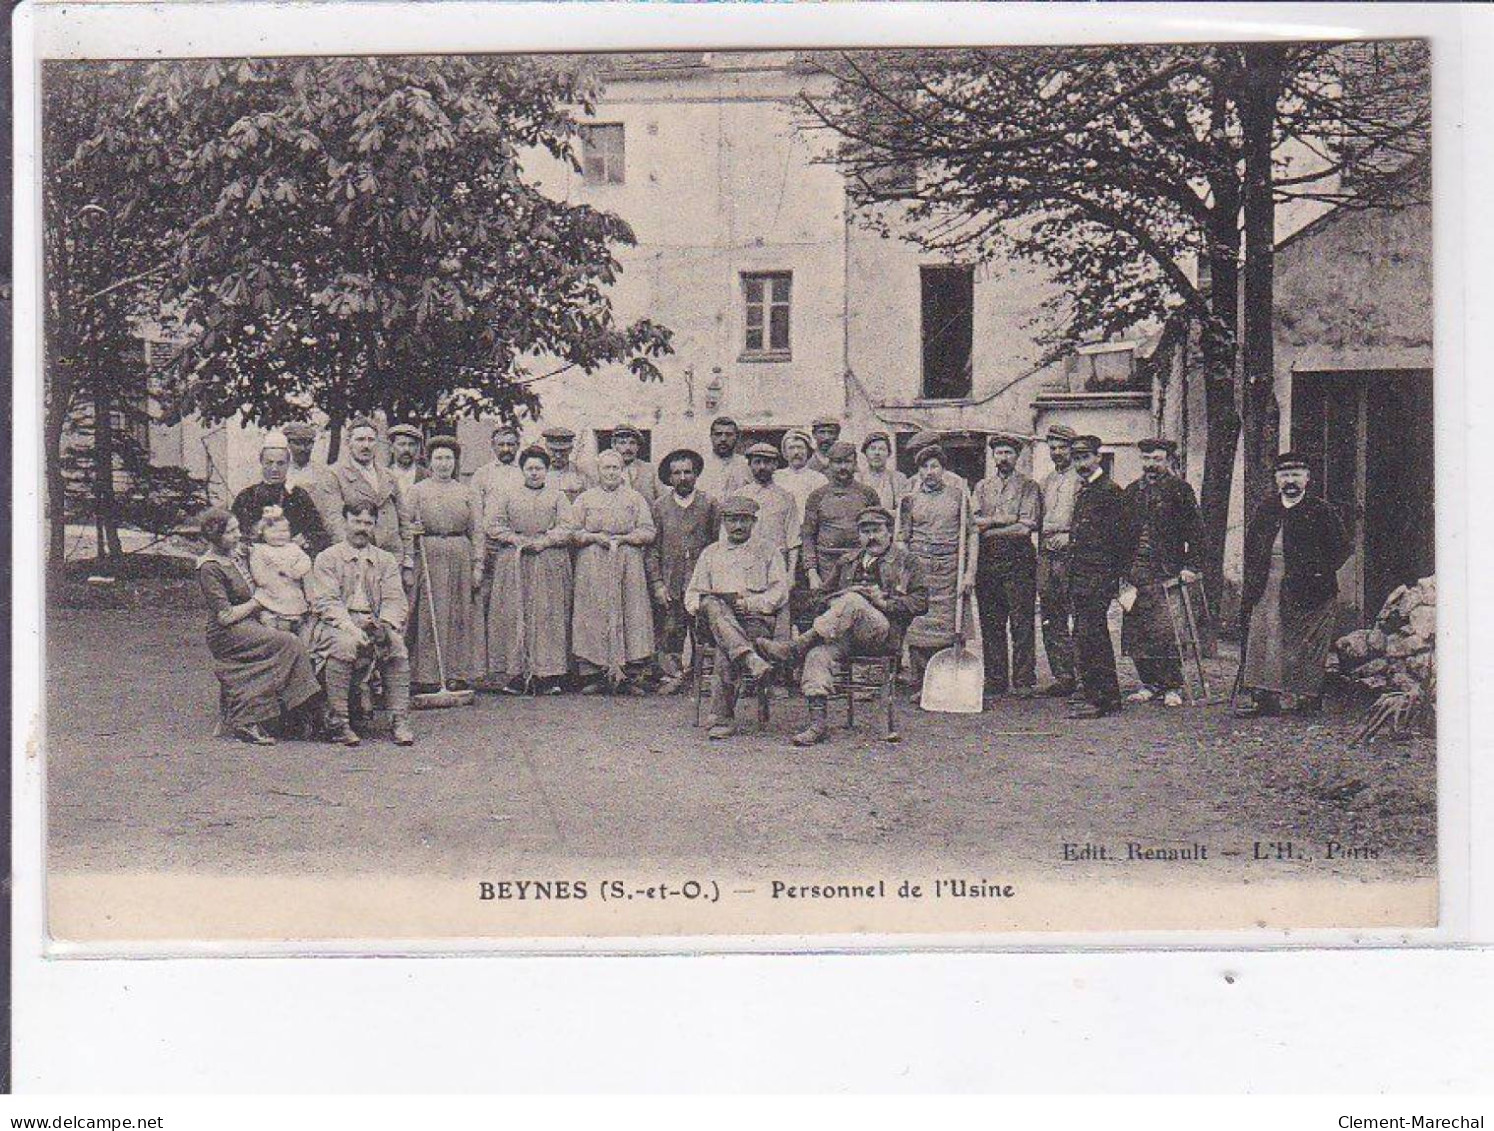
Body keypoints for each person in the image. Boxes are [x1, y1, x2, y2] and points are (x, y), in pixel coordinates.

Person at [757, 506, 929, 746]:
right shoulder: (847, 561)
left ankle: (795, 648)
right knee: (818, 655)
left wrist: (884, 601)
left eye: (877, 530)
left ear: (890, 532)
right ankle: (817, 724)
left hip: (882, 633)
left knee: (854, 601)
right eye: (865, 531)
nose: (871, 537)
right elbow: (818, 599)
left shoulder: (906, 561)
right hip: (841, 634)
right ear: (858, 535)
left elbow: (921, 603)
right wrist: (838, 599)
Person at [195, 507, 322, 747]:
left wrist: (272, 523)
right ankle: (252, 718)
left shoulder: (236, 552)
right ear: (215, 537)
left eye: (236, 529)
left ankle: (292, 715)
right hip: (227, 632)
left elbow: (264, 542)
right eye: (230, 532)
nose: (237, 535)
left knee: (292, 639)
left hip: (251, 621)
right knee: (288, 642)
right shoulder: (209, 567)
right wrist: (259, 601)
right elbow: (225, 616)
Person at [1236, 452, 1351, 717]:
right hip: (1268, 584)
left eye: (1296, 475)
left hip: (1310, 588)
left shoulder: (1321, 510)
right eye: (1285, 475)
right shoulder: (1267, 509)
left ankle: (1307, 698)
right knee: (1266, 639)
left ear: (1307, 479)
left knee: (1306, 643)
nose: (1290, 481)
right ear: (1277, 479)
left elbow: (1342, 548)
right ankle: (1266, 698)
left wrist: (1319, 573)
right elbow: (1252, 544)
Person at [306, 502, 415, 747]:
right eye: (356, 522)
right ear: (345, 522)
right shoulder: (328, 558)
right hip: (336, 624)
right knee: (345, 646)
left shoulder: (385, 560)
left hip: (375, 621)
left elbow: (394, 599)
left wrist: (384, 626)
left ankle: (399, 719)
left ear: (374, 525)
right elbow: (326, 602)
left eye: (368, 523)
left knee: (396, 645)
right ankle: (339, 721)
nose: (362, 528)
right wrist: (352, 628)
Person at [684, 496, 788, 740]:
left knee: (725, 647)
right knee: (711, 603)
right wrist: (708, 606)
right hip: (714, 623)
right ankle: (749, 658)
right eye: (732, 520)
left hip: (754, 621)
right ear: (723, 522)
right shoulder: (711, 553)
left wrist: (749, 603)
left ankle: (722, 717)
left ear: (754, 522)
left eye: (744, 520)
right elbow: (692, 595)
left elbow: (780, 592)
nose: (738, 526)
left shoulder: (768, 551)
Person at [1121, 438, 1206, 708]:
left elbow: (1196, 532)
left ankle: (1172, 685)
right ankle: (1149, 683)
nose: (1150, 465)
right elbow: (1119, 534)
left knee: (1166, 631)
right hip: (1136, 571)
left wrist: (1191, 566)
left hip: (1166, 570)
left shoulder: (1180, 490)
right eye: (1146, 459)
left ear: (1168, 460)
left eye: (1156, 459)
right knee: (1137, 630)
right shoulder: (1132, 491)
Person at [484, 446, 576, 696]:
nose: (534, 473)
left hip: (548, 561)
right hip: (515, 560)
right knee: (515, 612)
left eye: (539, 468)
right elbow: (493, 524)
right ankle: (515, 673)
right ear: (522, 470)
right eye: (530, 468)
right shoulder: (506, 495)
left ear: (546, 471)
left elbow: (568, 526)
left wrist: (545, 541)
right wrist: (515, 539)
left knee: (547, 615)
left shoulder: (557, 496)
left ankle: (547, 675)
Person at [571, 449, 657, 694]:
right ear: (598, 472)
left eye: (615, 468)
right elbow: (572, 531)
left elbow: (648, 530)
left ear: (622, 472)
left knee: (632, 612)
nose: (610, 473)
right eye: (606, 468)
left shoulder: (635, 498)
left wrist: (626, 539)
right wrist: (593, 537)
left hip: (627, 560)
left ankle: (629, 675)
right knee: (593, 612)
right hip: (593, 561)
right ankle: (594, 674)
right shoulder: (585, 499)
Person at [898, 444, 979, 691]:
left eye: (934, 466)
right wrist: (905, 572)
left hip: (951, 571)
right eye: (924, 467)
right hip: (920, 569)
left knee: (951, 624)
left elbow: (972, 533)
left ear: (943, 469)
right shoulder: (909, 500)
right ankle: (920, 681)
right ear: (918, 471)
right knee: (919, 622)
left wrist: (970, 573)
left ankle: (947, 681)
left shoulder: (958, 496)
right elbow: (902, 538)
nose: (929, 471)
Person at [1066, 435, 1134, 719]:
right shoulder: (1085, 490)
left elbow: (1123, 539)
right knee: (1086, 635)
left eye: (1085, 457)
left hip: (1098, 576)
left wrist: (1114, 577)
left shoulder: (1109, 491)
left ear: (1098, 457)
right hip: (1082, 575)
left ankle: (1102, 699)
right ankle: (1100, 695)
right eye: (1077, 458)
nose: (1080, 463)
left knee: (1093, 635)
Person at [406, 436, 481, 694]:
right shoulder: (417, 491)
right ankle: (427, 675)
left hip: (460, 552)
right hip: (429, 552)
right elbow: (405, 526)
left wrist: (477, 565)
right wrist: (413, 531)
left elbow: (477, 531)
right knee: (430, 614)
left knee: (459, 613)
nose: (444, 463)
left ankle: (456, 673)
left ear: (455, 461)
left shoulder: (466, 491)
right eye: (439, 458)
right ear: (429, 461)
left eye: (449, 458)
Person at [972, 432, 1042, 698]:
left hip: (1019, 560)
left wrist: (990, 524)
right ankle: (995, 679)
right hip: (988, 562)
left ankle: (1024, 680)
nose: (1004, 458)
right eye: (999, 453)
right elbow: (974, 522)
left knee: (1021, 621)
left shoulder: (1029, 486)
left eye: (1008, 453)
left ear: (1017, 456)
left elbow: (1025, 528)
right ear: (993, 456)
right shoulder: (981, 487)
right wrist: (1006, 519)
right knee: (991, 622)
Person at [646, 448, 721, 694]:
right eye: (676, 473)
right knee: (670, 631)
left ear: (696, 474)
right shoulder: (659, 507)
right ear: (669, 477)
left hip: (700, 582)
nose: (683, 478)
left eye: (687, 472)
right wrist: (657, 584)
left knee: (702, 631)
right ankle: (673, 676)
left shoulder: (709, 504)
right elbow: (653, 549)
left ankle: (701, 677)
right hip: (671, 582)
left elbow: (717, 545)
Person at [312, 416, 414, 585]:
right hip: (358, 559)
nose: (366, 445)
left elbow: (404, 520)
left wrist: (408, 560)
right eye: (360, 439)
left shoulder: (389, 476)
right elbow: (334, 521)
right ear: (348, 442)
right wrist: (351, 555)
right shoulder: (335, 476)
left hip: (392, 559)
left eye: (370, 440)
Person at [231, 430, 331, 557]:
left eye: (280, 463)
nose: (274, 469)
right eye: (269, 463)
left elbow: (319, 534)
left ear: (288, 464)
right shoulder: (247, 496)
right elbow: (233, 535)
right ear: (261, 462)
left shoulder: (299, 496)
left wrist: (305, 541)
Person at [801, 442, 880, 599]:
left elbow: (879, 532)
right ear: (829, 465)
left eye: (847, 462)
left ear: (855, 463)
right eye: (838, 462)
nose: (842, 467)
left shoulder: (868, 494)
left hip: (860, 562)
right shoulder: (817, 496)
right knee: (828, 607)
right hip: (827, 563)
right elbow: (808, 535)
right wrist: (811, 572)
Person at [1038, 423, 1080, 697]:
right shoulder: (1046, 482)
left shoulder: (1081, 479)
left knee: (1078, 614)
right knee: (1052, 617)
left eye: (1062, 448)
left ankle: (1083, 676)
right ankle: (1063, 676)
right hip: (1047, 552)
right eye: (1052, 448)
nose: (1057, 453)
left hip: (1072, 553)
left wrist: (1070, 536)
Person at [247, 507, 313, 634]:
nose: (280, 535)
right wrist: (265, 579)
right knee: (271, 619)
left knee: (294, 620)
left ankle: (293, 632)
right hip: (271, 589)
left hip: (290, 588)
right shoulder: (260, 550)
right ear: (262, 533)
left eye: (284, 531)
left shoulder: (293, 548)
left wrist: (296, 571)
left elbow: (305, 561)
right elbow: (257, 569)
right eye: (274, 532)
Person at [738, 442, 799, 571]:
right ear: (749, 465)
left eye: (767, 462)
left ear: (775, 465)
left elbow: (793, 539)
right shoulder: (740, 496)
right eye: (757, 462)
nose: (762, 467)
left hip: (776, 563)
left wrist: (791, 574)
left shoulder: (786, 498)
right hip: (745, 562)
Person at [470, 423, 524, 534]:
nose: (506, 449)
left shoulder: (526, 472)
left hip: (521, 535)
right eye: (501, 444)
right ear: (493, 446)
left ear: (518, 445)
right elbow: (476, 512)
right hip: (491, 538)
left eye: (510, 444)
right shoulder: (482, 474)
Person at [696, 416, 752, 501]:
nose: (723, 439)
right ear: (711, 437)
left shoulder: (746, 465)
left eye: (729, 434)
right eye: (718, 434)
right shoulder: (699, 464)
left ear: (737, 437)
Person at [860, 431, 908, 512]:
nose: (877, 453)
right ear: (865, 452)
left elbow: (902, 511)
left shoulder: (898, 479)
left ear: (889, 454)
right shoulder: (858, 478)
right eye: (872, 449)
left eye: (882, 449)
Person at [543, 425, 594, 503]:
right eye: (554, 451)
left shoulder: (581, 475)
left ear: (570, 449)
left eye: (563, 451)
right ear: (546, 448)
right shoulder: (539, 474)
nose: (558, 456)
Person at [611, 424, 658, 504]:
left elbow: (663, 500)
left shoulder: (650, 471)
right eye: (622, 443)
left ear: (638, 447)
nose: (628, 448)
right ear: (614, 446)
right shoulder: (605, 471)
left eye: (632, 443)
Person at [387, 423, 427, 495]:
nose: (407, 449)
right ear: (391, 447)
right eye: (402, 444)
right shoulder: (383, 476)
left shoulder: (427, 476)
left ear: (417, 448)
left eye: (411, 444)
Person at [283, 421, 321, 492]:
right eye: (298, 444)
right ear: (288, 444)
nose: (303, 449)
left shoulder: (322, 474)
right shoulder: (282, 471)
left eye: (307, 444)